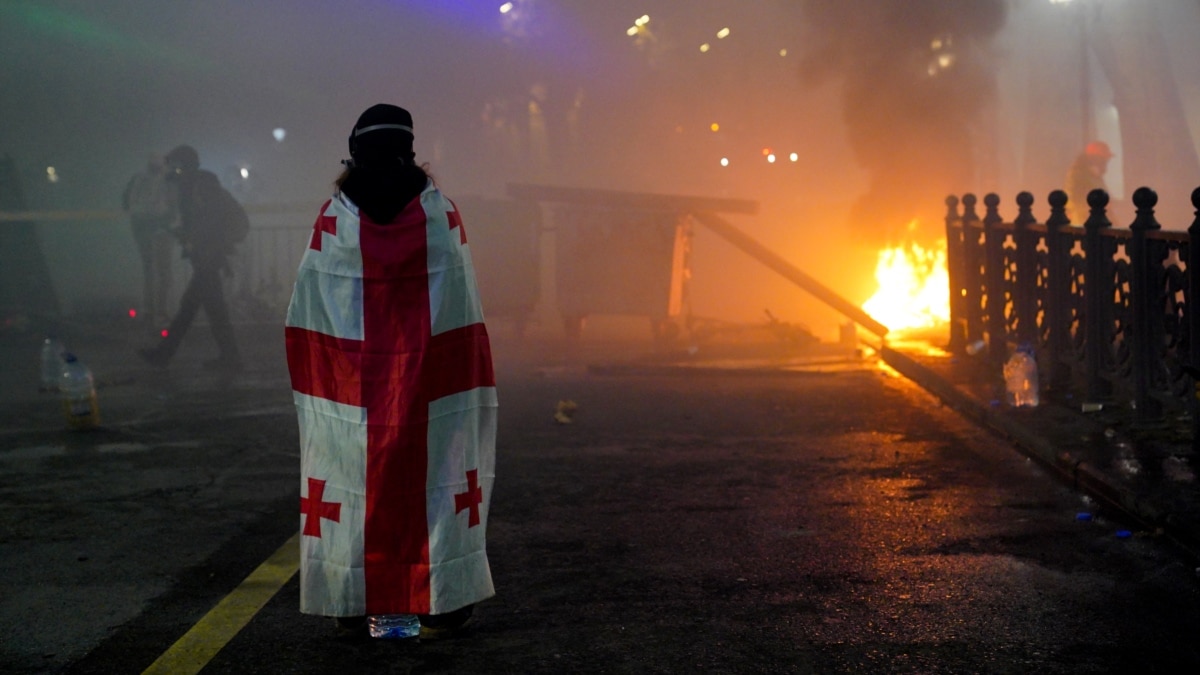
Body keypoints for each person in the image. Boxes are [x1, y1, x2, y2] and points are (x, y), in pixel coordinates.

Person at [285, 104, 497, 640]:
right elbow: (460, 309)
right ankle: (443, 599)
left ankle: (351, 598)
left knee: (351, 481)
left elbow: (310, 309)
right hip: (432, 384)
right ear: (409, 150)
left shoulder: (334, 218)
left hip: (351, 389)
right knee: (441, 478)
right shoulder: (440, 214)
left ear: (355, 152)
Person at [137, 144, 242, 372]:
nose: (170, 171)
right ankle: (227, 356)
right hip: (205, 257)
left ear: (183, 166)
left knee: (202, 310)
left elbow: (209, 223)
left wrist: (198, 242)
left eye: (174, 166)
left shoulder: (200, 186)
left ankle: (165, 355)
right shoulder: (192, 186)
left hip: (207, 258)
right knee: (204, 309)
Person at [122, 153, 176, 326]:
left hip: (142, 228)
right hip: (161, 229)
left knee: (150, 272)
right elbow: (174, 205)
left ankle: (150, 311)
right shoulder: (167, 180)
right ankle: (160, 312)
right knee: (163, 272)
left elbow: (126, 204)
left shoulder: (137, 178)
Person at [1065, 140, 1115, 224]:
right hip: (1083, 222)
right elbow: (1073, 200)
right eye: (1103, 160)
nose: (1105, 164)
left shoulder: (1095, 176)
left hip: (1095, 221)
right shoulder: (1078, 174)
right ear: (1095, 159)